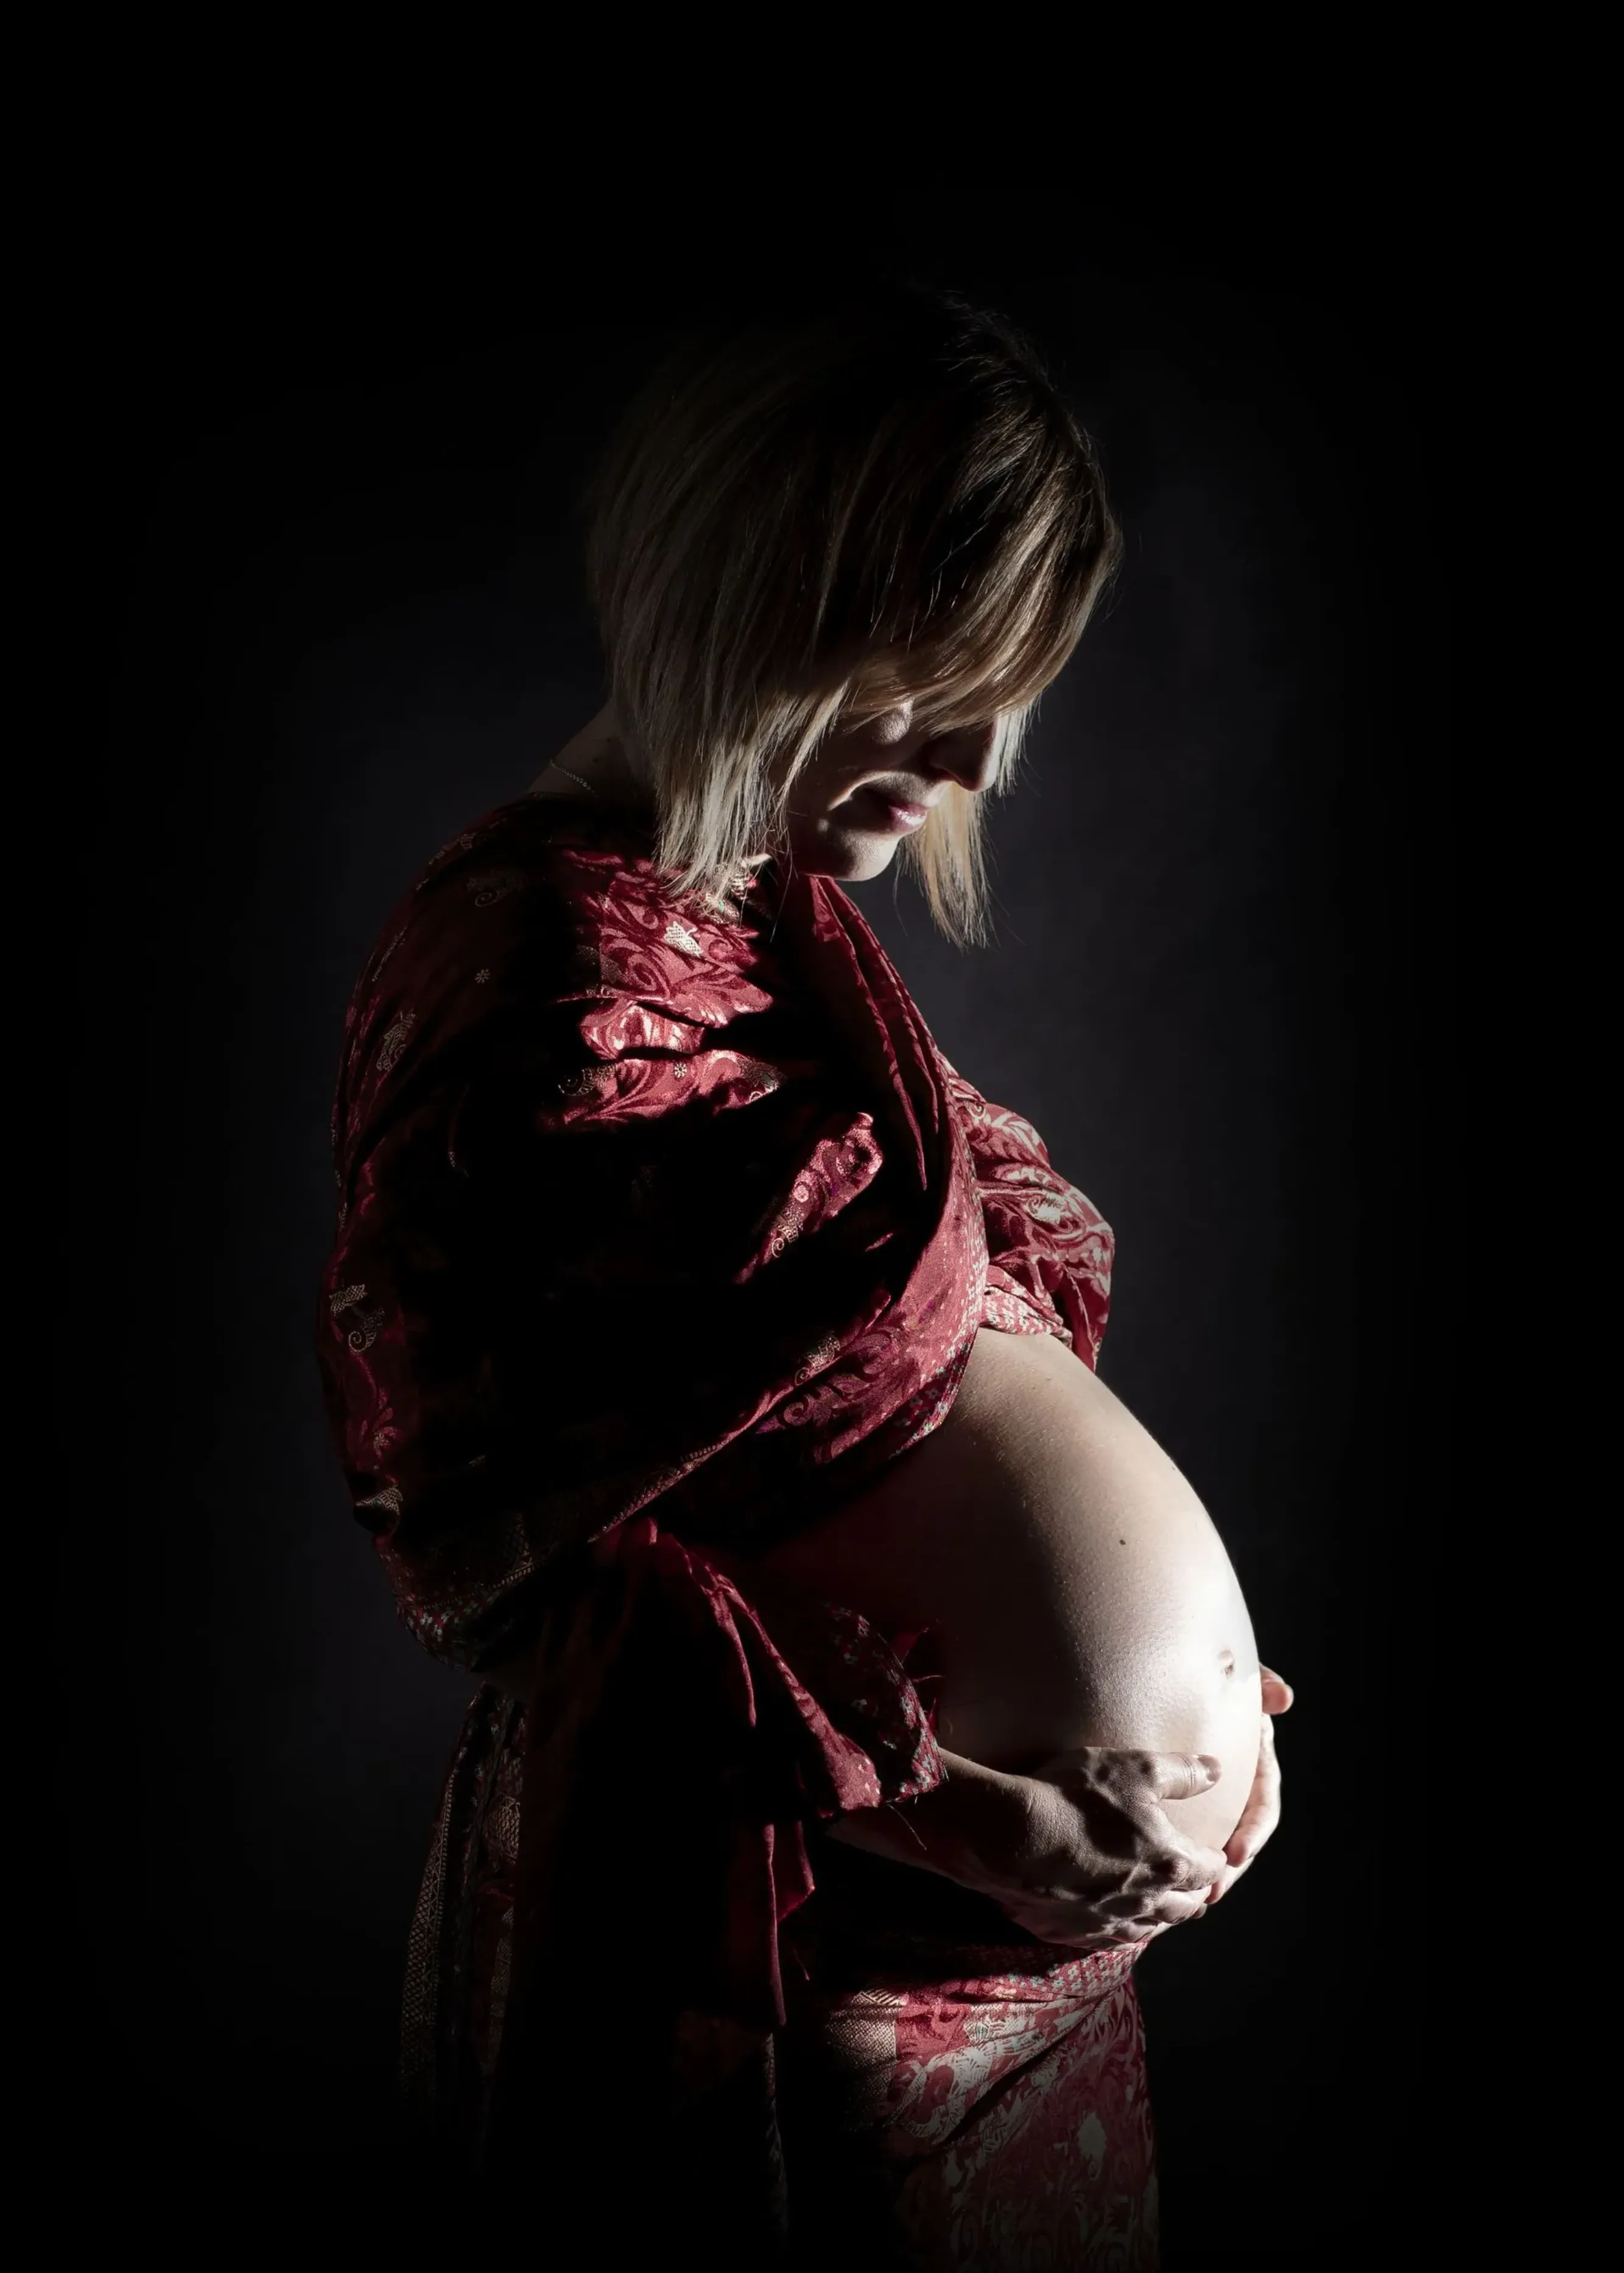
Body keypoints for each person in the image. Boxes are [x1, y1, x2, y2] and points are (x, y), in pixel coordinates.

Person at [317, 284, 1293, 2270]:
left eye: (997, 696)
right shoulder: (523, 967)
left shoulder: (757, 928)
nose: (971, 762)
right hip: (799, 1982)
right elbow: (511, 1554)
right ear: (761, 584)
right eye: (929, 678)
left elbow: (921, 1385)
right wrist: (949, 1807)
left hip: (1020, 1999)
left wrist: (1213, 1732)